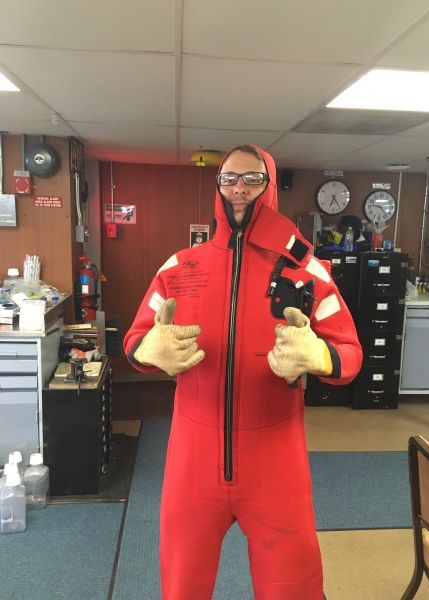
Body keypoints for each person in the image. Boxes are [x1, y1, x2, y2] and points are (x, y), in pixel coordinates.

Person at [124, 144, 362, 600]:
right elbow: (134, 341)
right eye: (229, 178)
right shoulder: (179, 268)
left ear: (270, 186)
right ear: (218, 187)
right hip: (192, 460)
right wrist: (146, 350)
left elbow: (350, 356)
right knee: (181, 586)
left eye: (252, 179)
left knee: (294, 586)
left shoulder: (307, 272)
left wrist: (321, 356)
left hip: (276, 462)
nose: (239, 189)